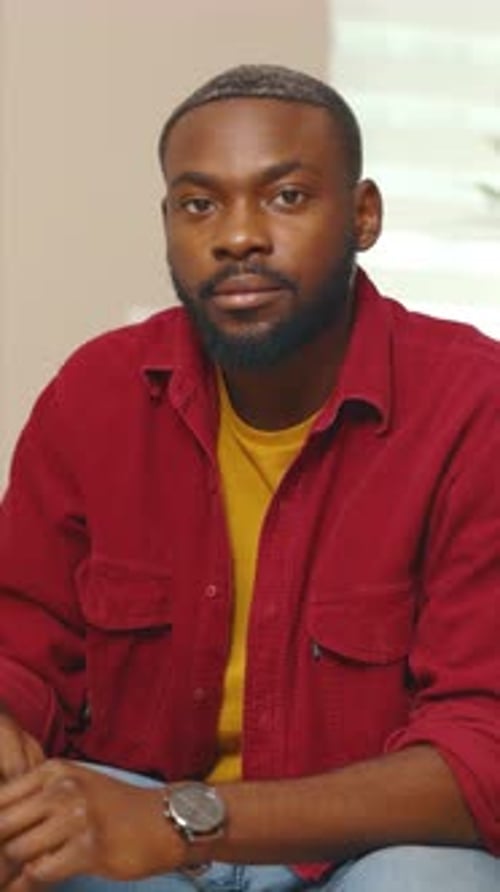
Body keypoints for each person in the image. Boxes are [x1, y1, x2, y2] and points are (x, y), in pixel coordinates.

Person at [0, 63, 498, 892]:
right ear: (167, 224)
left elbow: (485, 747)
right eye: (200, 205)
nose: (237, 237)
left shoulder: (474, 406)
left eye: (287, 197)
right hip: (138, 825)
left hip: (365, 846)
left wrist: (183, 821)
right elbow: (21, 637)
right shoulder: (97, 394)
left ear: (364, 215)